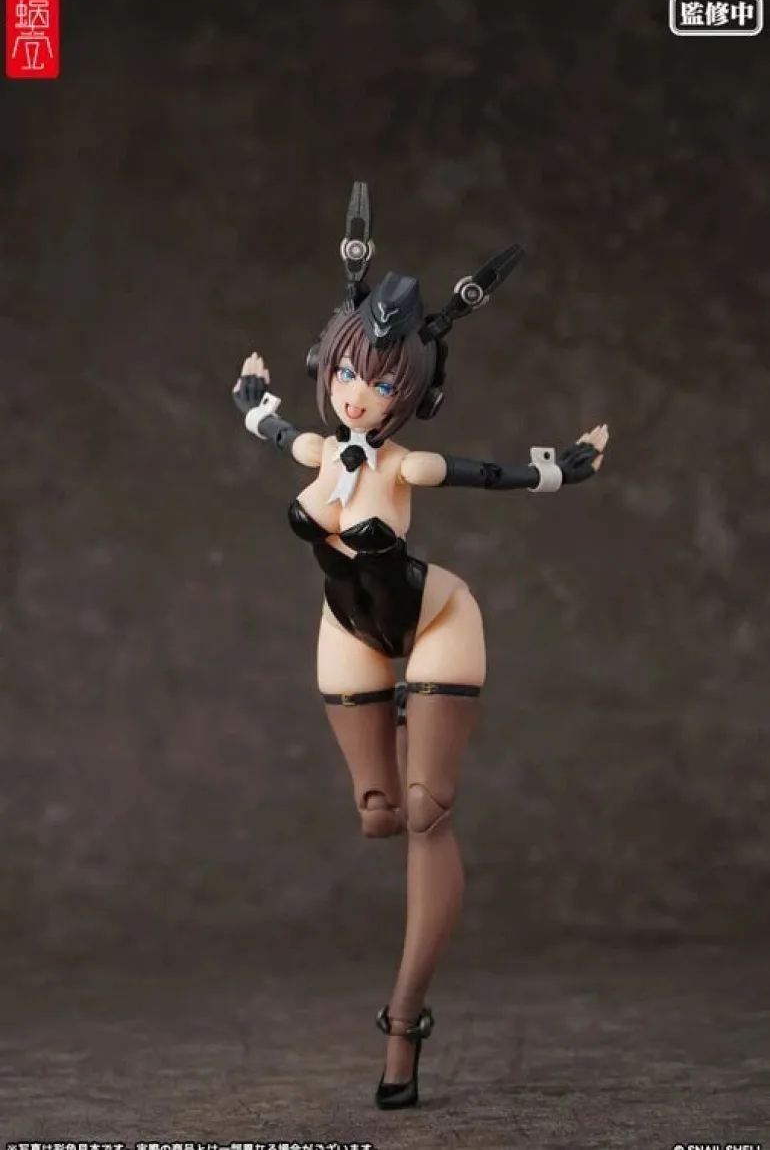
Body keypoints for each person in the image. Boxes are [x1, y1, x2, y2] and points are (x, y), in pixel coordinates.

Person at [231, 183, 609, 1110]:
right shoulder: (320, 452)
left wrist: (562, 467)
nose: (358, 396)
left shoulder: (405, 463)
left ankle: (404, 1023)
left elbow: (491, 474)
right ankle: (401, 749)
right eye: (349, 375)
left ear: (411, 395)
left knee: (426, 808)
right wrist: (252, 399)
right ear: (330, 366)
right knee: (379, 812)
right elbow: (274, 427)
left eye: (382, 383)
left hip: (435, 619)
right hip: (351, 627)